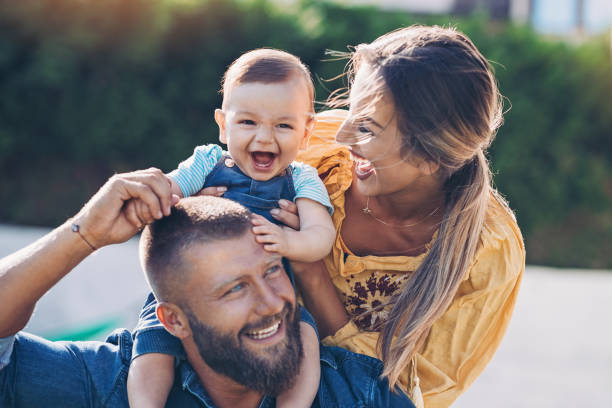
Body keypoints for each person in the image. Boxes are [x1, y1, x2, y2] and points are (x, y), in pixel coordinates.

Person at [0, 170, 414, 408]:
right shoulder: (111, 384)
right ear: (174, 320)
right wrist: (85, 235)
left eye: (272, 271)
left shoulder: (362, 394)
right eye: (234, 289)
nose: (273, 303)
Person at [268, 25, 525, 407]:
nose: (342, 135)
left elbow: (400, 395)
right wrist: (165, 189)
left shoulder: (487, 251)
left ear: (429, 158)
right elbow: (215, 193)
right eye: (350, 110)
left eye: (367, 128)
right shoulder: (313, 151)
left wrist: (311, 273)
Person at [126, 49, 336, 408]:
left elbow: (321, 237)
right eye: (248, 123)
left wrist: (288, 240)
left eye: (283, 125)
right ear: (223, 125)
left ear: (306, 132)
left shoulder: (302, 179)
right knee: (152, 339)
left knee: (306, 338)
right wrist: (179, 202)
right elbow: (169, 192)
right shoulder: (207, 162)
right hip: (193, 287)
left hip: (270, 293)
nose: (265, 139)